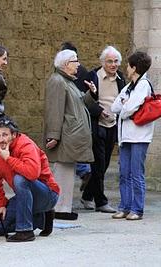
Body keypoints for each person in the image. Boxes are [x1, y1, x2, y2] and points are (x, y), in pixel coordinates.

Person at [0, 116, 60, 242]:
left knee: (20, 179)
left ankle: (25, 230)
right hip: (26, 197)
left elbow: (32, 173)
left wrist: (8, 159)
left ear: (14, 135)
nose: (1, 139)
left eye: (5, 135)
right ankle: (42, 217)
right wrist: (1, 204)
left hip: (47, 194)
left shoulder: (26, 145)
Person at [44, 49, 96, 220]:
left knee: (67, 172)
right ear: (66, 64)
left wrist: (91, 93)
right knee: (62, 172)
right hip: (65, 135)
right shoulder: (57, 81)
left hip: (70, 135)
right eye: (75, 61)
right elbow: (54, 110)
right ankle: (59, 207)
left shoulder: (68, 81)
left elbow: (80, 102)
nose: (78, 64)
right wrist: (53, 135)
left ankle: (64, 207)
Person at [80, 46, 126, 212]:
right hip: (97, 125)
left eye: (116, 61)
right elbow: (84, 101)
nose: (113, 64)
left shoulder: (121, 78)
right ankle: (101, 202)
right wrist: (100, 111)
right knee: (98, 164)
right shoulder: (93, 76)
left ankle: (86, 196)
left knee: (104, 164)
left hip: (113, 125)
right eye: (109, 61)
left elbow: (122, 98)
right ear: (103, 62)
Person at [111, 51, 153, 220]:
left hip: (140, 136)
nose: (126, 68)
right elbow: (115, 107)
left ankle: (137, 209)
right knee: (124, 173)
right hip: (125, 136)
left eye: (128, 65)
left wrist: (125, 106)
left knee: (136, 173)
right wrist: (126, 106)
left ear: (134, 68)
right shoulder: (129, 87)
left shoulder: (144, 85)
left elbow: (128, 109)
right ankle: (125, 207)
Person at [61, 42, 92, 192]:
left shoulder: (62, 76)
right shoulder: (82, 71)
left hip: (72, 115)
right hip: (80, 115)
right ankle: (84, 169)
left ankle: (83, 170)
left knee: (71, 148)